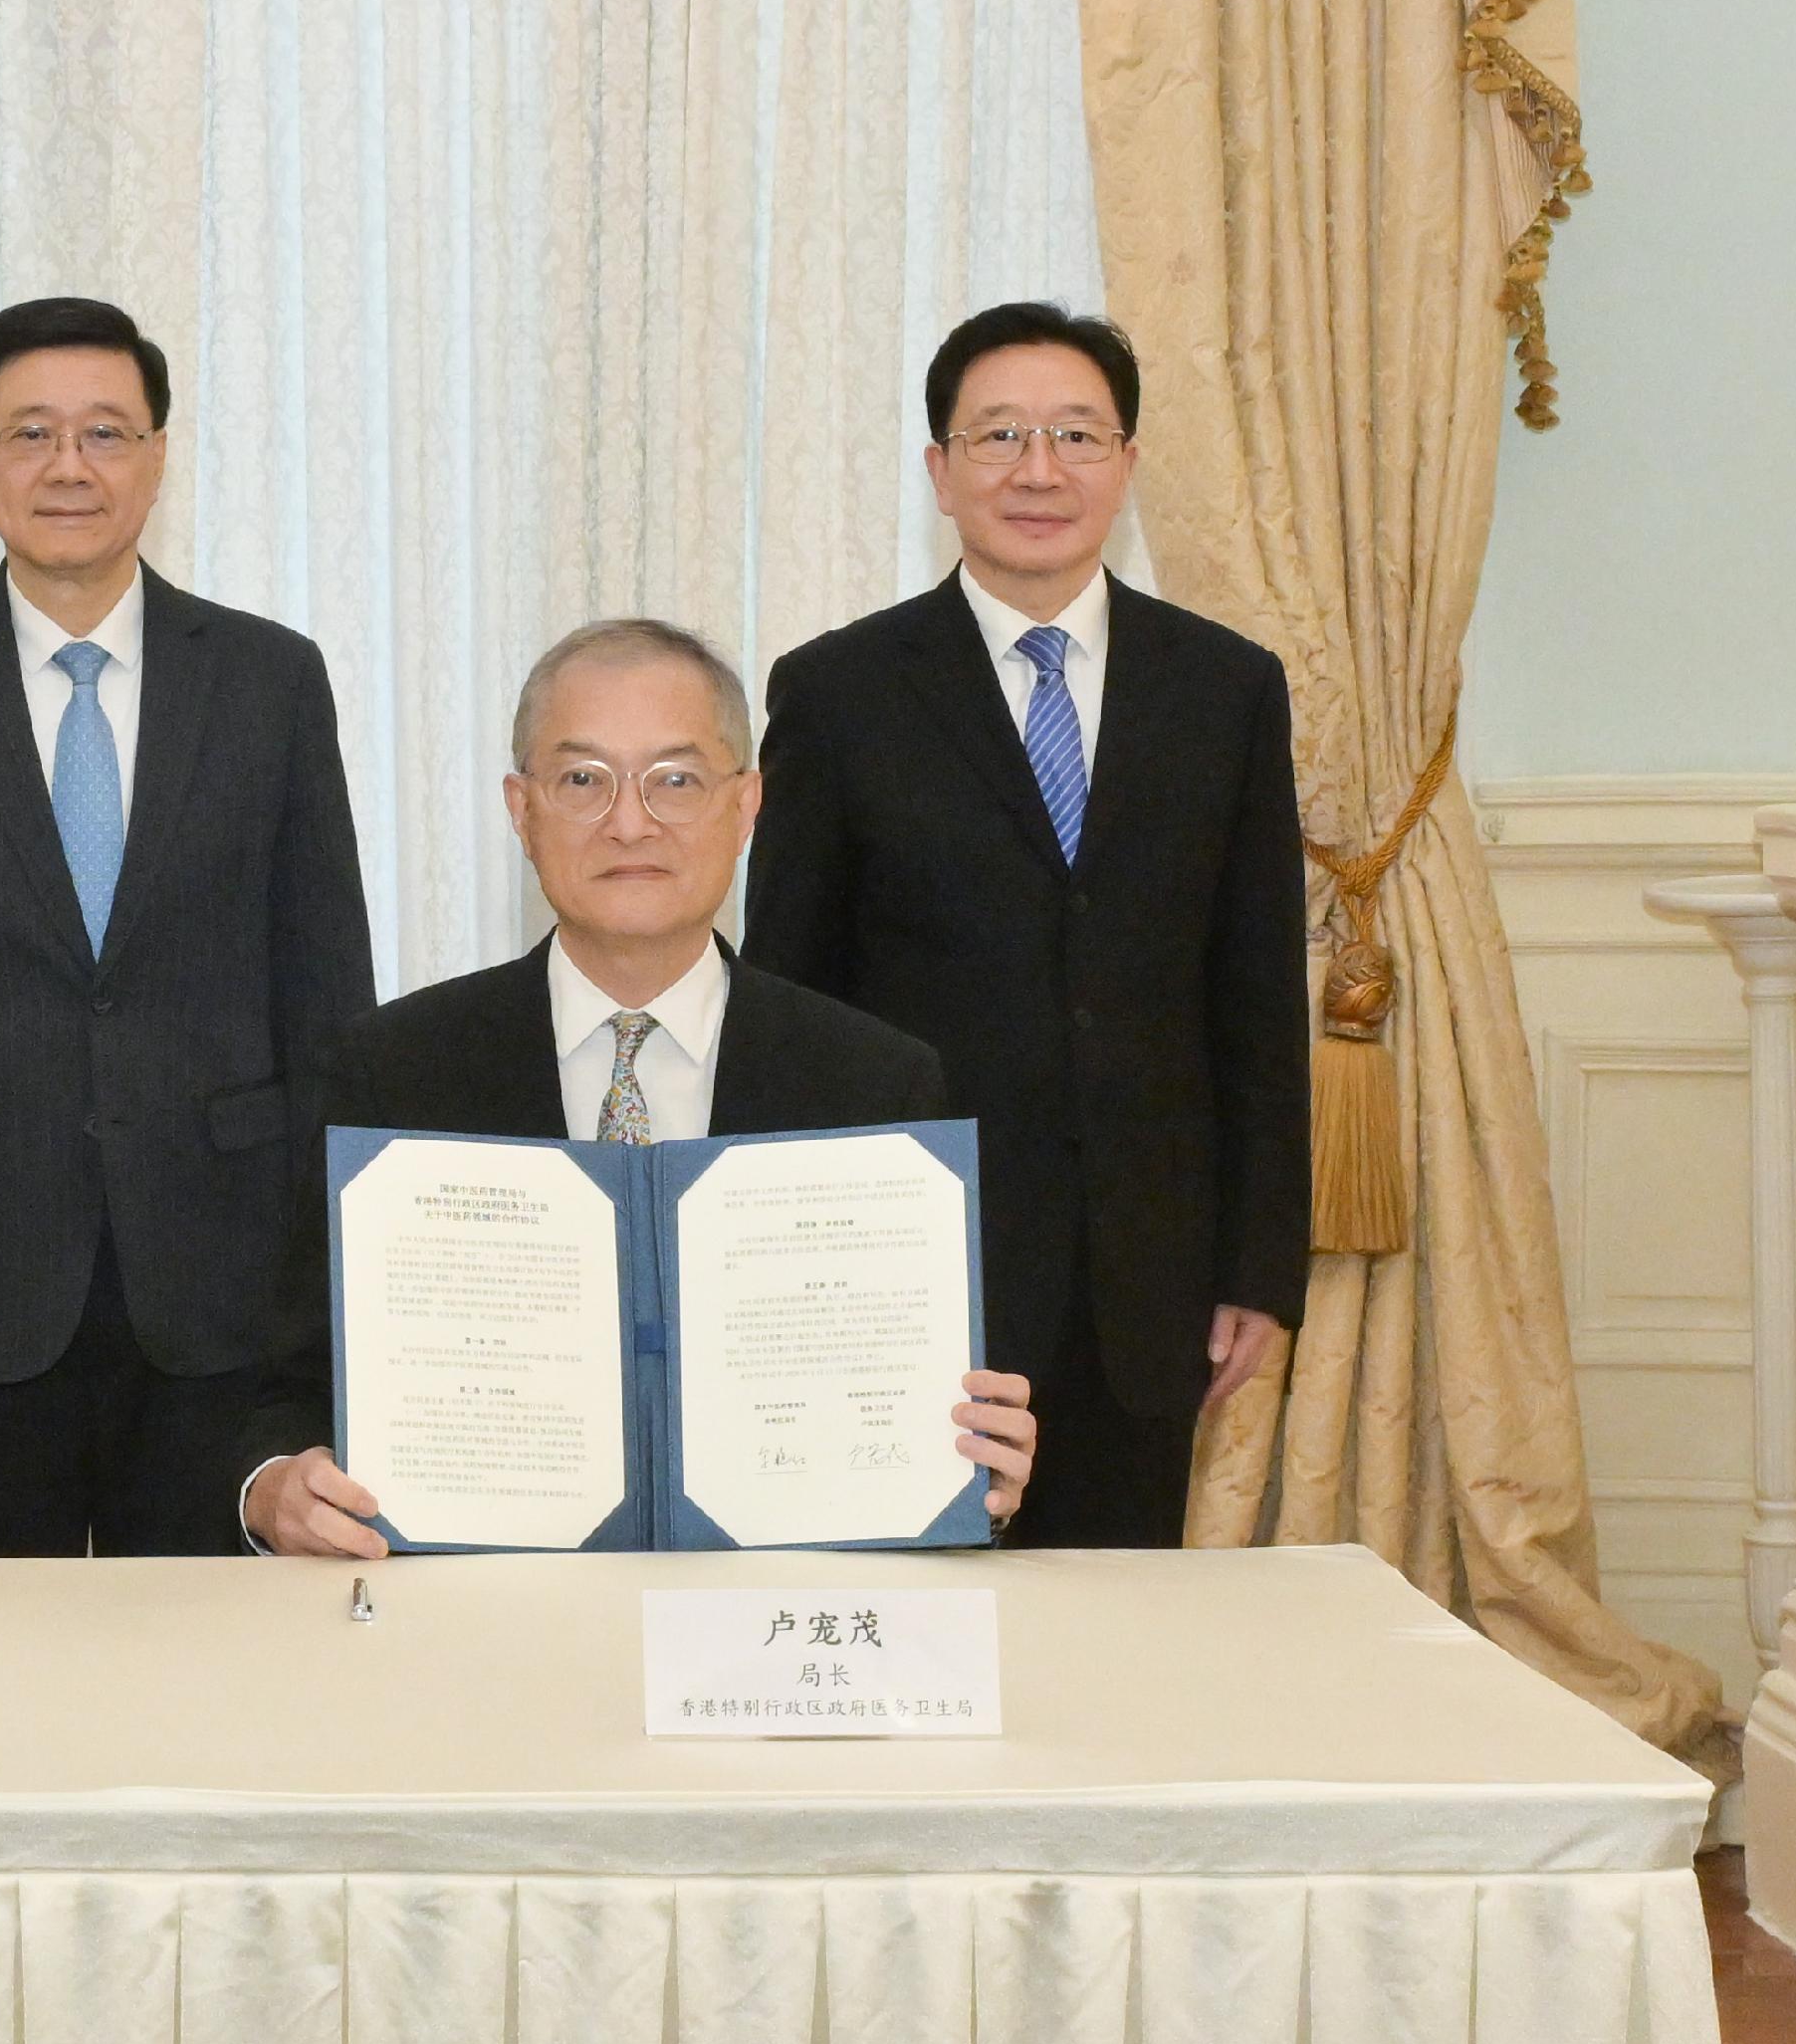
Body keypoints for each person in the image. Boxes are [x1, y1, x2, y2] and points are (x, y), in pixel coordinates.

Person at [241, 620, 1036, 1556]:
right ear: (520, 809)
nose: (629, 822)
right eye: (582, 779)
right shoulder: (394, 1069)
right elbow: (291, 1382)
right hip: (474, 1629)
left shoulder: (875, 1080)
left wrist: (976, 1467)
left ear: (746, 809)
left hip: (771, 1637)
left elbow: (924, 1390)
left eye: (676, 780)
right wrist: (274, 1491)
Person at [0, 297, 377, 1555]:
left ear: (159, 455)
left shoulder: (270, 679)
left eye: (107, 432)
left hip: (219, 1294)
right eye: (32, 432)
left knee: (210, 1683)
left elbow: (326, 994)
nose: (70, 465)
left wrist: (327, 1287)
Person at [744, 302, 1307, 1549]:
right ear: (940, 472)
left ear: (1128, 464)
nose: (1037, 469)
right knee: (914, 1629)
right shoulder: (839, 691)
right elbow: (789, 1000)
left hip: (1145, 1277)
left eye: (1074, 434)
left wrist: (1259, 1266)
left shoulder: (1225, 689)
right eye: (997, 436)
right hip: (909, 1269)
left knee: (1112, 1645)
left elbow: (1257, 995)